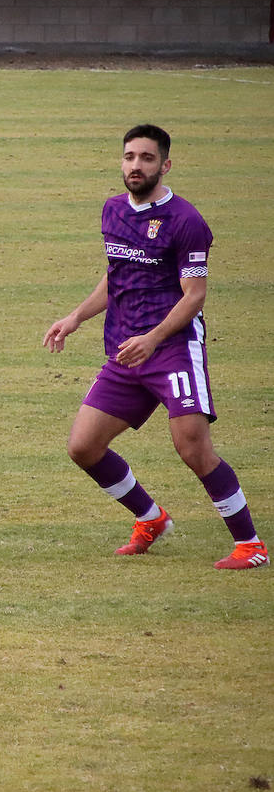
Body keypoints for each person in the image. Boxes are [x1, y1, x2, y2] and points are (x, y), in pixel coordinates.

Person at [43, 124, 265, 570]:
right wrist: (75, 317)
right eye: (129, 157)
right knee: (83, 447)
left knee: (192, 447)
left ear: (165, 165)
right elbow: (117, 276)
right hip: (126, 351)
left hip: (172, 348)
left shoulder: (186, 221)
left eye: (146, 158)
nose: (135, 166)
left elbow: (194, 294)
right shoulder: (112, 211)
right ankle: (151, 519)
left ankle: (251, 545)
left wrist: (153, 339)